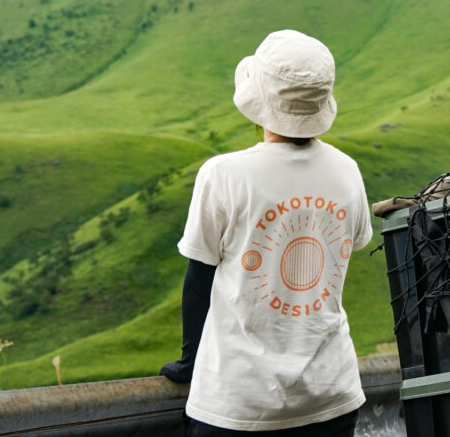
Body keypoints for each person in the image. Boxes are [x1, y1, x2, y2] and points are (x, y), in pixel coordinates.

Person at [160, 29, 373, 436]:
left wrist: (189, 361)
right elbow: (350, 246)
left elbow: (198, 279)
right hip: (331, 394)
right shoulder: (346, 170)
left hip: (240, 402)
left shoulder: (224, 174)